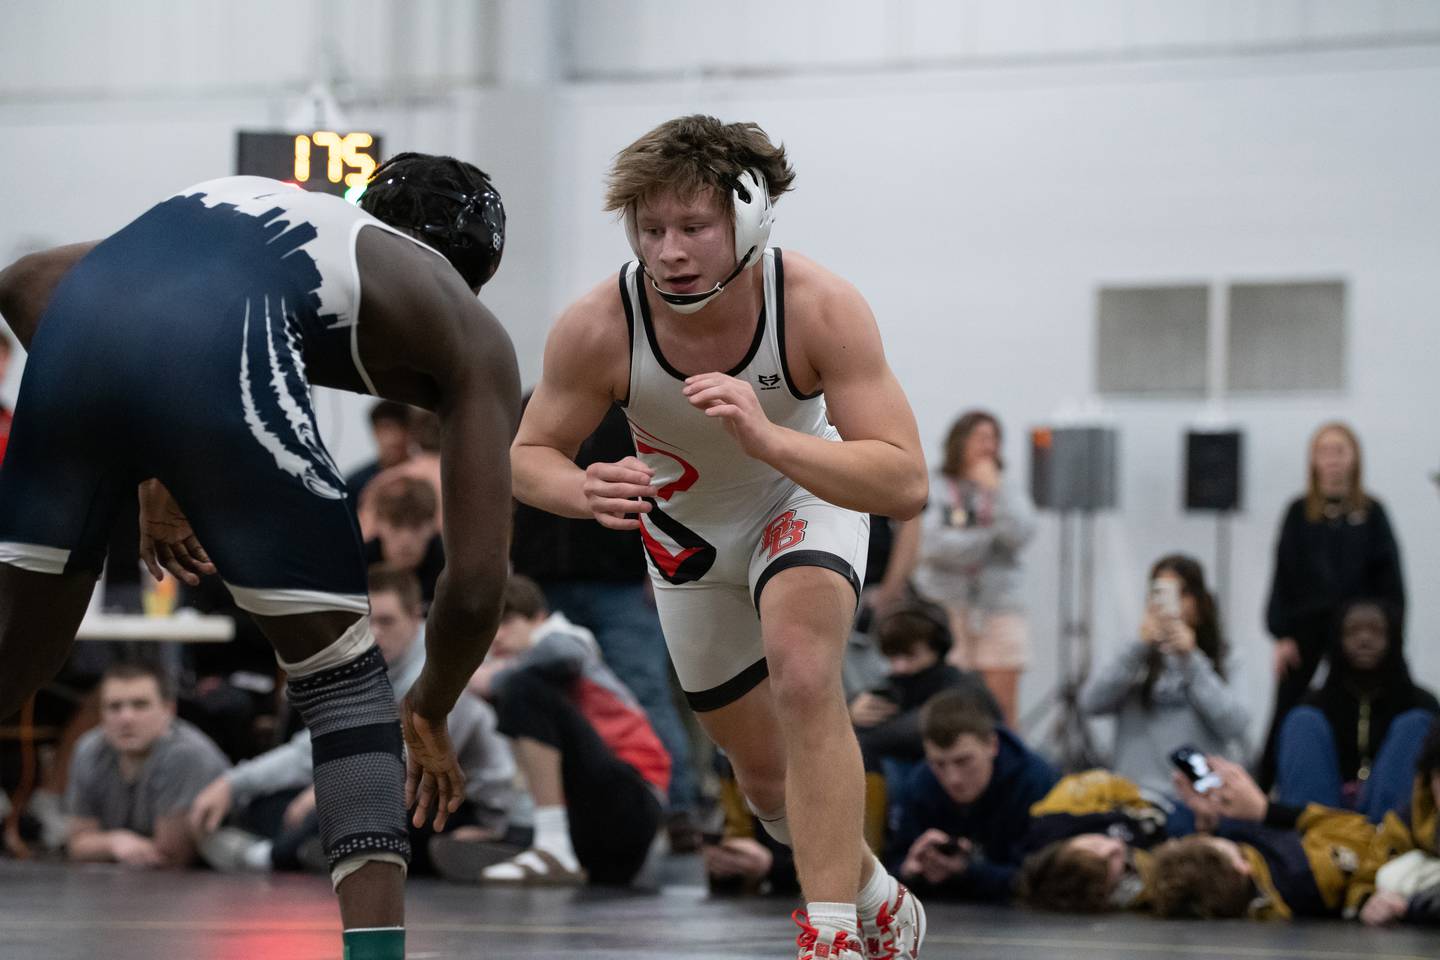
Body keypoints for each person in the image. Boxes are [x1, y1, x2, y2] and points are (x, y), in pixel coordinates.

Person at [0, 153, 519, 960]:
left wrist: (144, 458)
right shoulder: (460, 316)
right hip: (229, 346)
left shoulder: (255, 207)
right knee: (348, 693)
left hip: (75, 335)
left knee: (14, 668)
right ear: (469, 270)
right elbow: (480, 582)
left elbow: (27, 282)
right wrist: (430, 705)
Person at [510, 115, 929, 960]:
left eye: (693, 227)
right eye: (650, 229)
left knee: (807, 673)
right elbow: (527, 457)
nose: (668, 251)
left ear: (750, 218)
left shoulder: (818, 305)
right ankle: (876, 891)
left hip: (799, 499)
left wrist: (772, 439)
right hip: (686, 543)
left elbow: (905, 480)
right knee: (766, 782)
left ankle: (832, 932)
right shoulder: (601, 322)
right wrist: (581, 486)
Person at [190, 566, 517, 877]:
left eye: (387, 621)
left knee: (357, 799)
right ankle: (328, 848)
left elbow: (402, 762)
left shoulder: (443, 670)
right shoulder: (370, 667)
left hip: (474, 806)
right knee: (275, 802)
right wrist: (233, 784)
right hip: (417, 795)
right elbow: (314, 746)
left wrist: (320, 791)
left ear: (417, 618)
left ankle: (269, 856)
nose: (375, 633)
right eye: (365, 622)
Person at [511, 400, 704, 850]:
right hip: (544, 581)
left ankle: (676, 808)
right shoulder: (535, 406)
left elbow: (678, 487)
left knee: (643, 689)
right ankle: (552, 815)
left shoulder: (642, 409)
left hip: (620, 582)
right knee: (542, 694)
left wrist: (663, 564)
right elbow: (512, 484)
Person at [459, 575, 669, 886]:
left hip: (633, 801)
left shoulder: (564, 636)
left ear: (540, 618)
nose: (497, 637)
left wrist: (493, 680)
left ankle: (551, 847)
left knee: (521, 687)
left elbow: (562, 655)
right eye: (491, 628)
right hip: (591, 826)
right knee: (517, 694)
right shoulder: (523, 675)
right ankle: (539, 843)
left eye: (508, 622)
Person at [1259, 421, 1406, 789]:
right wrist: (1281, 633)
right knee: (1287, 708)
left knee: (1388, 699)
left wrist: (1386, 632)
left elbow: (1391, 584)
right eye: (1325, 452)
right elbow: (1283, 576)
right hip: (1306, 627)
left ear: (1354, 458)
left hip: (1359, 629)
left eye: (1340, 451)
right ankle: (1265, 790)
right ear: (1313, 460)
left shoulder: (1372, 514)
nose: (1333, 460)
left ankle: (1383, 783)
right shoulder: (1298, 513)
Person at [886, 411, 1036, 726]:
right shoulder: (937, 485)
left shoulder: (1006, 486)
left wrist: (996, 493)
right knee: (948, 703)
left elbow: (1021, 534)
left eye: (994, 438)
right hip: (946, 606)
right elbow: (934, 545)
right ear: (960, 441)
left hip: (999, 606)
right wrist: (989, 537)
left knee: (1001, 706)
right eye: (980, 437)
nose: (988, 446)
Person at [1079, 554, 1249, 795]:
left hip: (1201, 800)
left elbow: (1235, 725)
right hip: (1138, 798)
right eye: (1160, 592)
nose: (1172, 603)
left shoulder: (1224, 657)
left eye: (1182, 593)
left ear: (1200, 602)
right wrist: (1137, 648)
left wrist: (1192, 661)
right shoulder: (1132, 655)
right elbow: (1090, 703)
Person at [1156, 755, 1377, 921]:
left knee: (1182, 816)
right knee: (1304, 721)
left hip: (1301, 835)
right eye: (1217, 841)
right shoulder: (1304, 872)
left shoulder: (1223, 893)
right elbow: (1363, 832)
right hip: (1354, 825)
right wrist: (1266, 809)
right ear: (1242, 866)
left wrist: (1209, 824)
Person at [1275, 599, 1438, 820]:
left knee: (1417, 723)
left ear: (1393, 639)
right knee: (1302, 721)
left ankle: (1387, 842)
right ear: (1337, 640)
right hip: (1325, 829)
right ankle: (1314, 842)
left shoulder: (1422, 703)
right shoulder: (1313, 704)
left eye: (1376, 631)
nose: (1364, 639)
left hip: (1389, 830)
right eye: (1353, 631)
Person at [889, 689, 1058, 903]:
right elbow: (890, 867)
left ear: (992, 745)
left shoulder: (1035, 782)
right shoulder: (920, 783)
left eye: (963, 761)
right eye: (939, 764)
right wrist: (910, 870)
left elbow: (1041, 877)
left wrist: (968, 870)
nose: (953, 779)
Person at [65, 660, 230, 868]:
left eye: (140, 705)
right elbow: (77, 843)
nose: (126, 718)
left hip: (211, 882)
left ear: (168, 709)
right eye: (114, 707)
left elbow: (170, 857)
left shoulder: (186, 754)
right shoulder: (90, 749)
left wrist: (98, 844)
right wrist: (114, 841)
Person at [850, 602, 1000, 769]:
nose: (900, 667)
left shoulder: (964, 688)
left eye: (910, 655)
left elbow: (919, 730)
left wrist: (852, 727)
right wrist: (850, 711)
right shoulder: (900, 684)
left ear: (937, 648)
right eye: (892, 656)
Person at [1351, 719, 1440, 927]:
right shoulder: (1416, 815)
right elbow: (1366, 874)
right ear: (1428, 781)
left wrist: (1414, 907)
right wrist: (1369, 902)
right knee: (1392, 875)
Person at [364, 475, 447, 605]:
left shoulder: (450, 569)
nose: (406, 539)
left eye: (416, 526)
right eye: (396, 525)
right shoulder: (355, 566)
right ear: (378, 523)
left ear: (433, 525)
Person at [345, 400, 414, 500]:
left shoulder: (427, 476)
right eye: (386, 428)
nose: (394, 438)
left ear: (411, 432)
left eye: (401, 428)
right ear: (375, 432)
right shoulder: (356, 484)